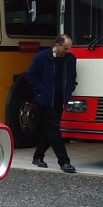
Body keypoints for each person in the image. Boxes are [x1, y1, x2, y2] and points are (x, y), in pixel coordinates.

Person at [26, 34, 78, 172]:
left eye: (69, 49)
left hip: (59, 98)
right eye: (65, 48)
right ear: (57, 45)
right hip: (45, 99)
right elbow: (31, 74)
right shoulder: (42, 57)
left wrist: (68, 92)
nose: (68, 51)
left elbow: (72, 77)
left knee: (50, 129)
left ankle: (38, 156)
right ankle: (64, 161)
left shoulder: (70, 59)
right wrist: (41, 90)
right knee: (54, 130)